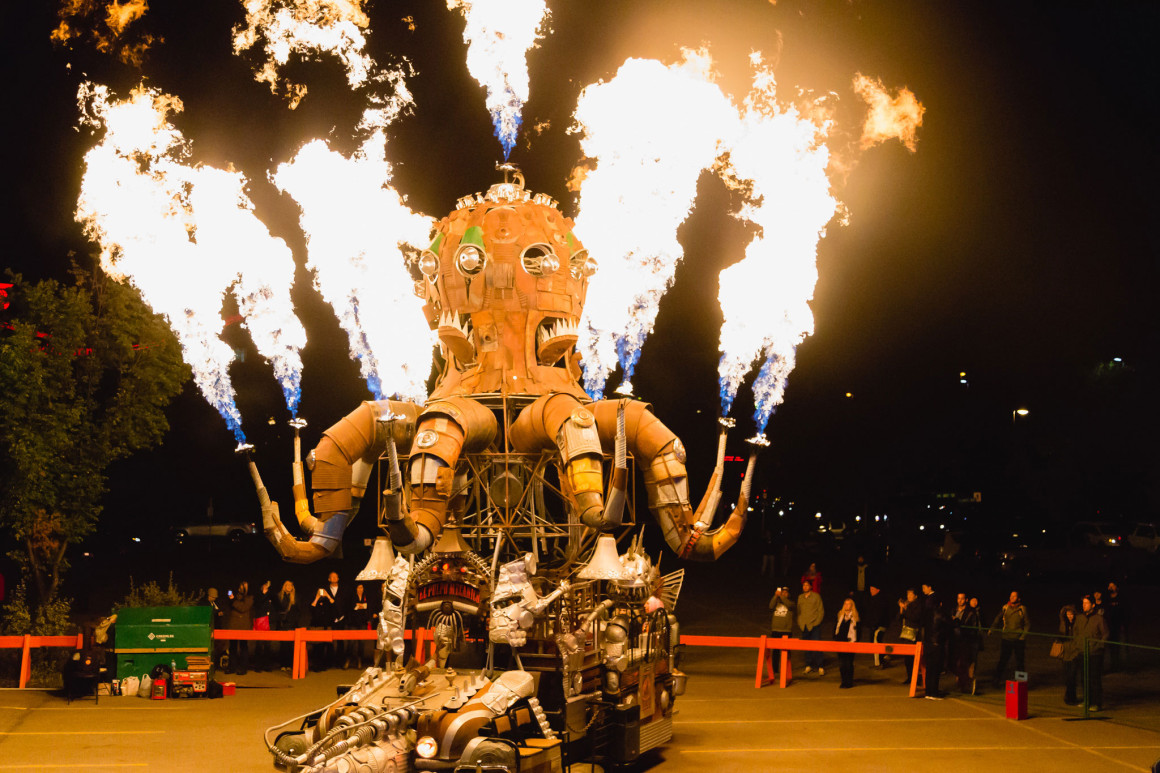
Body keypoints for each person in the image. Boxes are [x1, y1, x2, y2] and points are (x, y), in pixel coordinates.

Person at [1075, 594, 1109, 711]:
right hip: (1082, 652)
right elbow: (1076, 632)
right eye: (1083, 603)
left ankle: (1096, 703)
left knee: (1094, 678)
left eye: (1086, 603)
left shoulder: (1099, 619)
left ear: (1093, 605)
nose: (1084, 605)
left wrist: (1099, 645)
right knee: (1084, 678)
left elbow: (1105, 634)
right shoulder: (1080, 618)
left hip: (1095, 653)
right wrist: (1078, 644)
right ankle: (1087, 700)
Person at [990, 591, 1029, 686]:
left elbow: (1027, 624)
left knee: (1020, 661)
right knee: (1003, 660)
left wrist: (1022, 636)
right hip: (1006, 639)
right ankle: (996, 679)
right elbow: (997, 618)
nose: (1012, 597)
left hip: (1018, 640)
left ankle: (1022, 683)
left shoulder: (1022, 609)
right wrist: (992, 629)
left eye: (1014, 596)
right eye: (1011, 595)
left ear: (1019, 598)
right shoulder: (1005, 608)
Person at [950, 592, 981, 693]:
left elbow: (973, 628)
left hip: (966, 641)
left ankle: (966, 684)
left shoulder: (971, 612)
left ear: (966, 600)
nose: (960, 600)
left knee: (965, 663)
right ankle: (961, 681)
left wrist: (958, 622)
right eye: (958, 598)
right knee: (953, 663)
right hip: (954, 641)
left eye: (962, 599)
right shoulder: (953, 610)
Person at [273, 580, 304, 671]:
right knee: (283, 645)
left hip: (292, 624)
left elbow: (299, 610)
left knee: (291, 645)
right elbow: (276, 609)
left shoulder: (296, 597)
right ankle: (283, 664)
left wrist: (295, 620)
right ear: (284, 586)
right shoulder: (279, 596)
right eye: (287, 585)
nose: (289, 587)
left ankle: (290, 664)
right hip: (282, 624)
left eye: (290, 585)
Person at [225, 581, 253, 675]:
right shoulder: (236, 596)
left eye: (244, 587)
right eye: (241, 586)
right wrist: (231, 599)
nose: (242, 588)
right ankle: (232, 667)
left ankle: (243, 668)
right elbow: (230, 606)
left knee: (243, 647)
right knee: (232, 647)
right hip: (233, 625)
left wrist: (233, 601)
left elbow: (243, 608)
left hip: (243, 626)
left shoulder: (249, 597)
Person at [797, 579, 825, 675]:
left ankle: (820, 666)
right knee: (806, 647)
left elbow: (820, 611)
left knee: (817, 645)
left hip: (814, 625)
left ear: (811, 587)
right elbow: (798, 611)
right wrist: (800, 622)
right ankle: (808, 665)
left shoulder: (816, 596)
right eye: (803, 585)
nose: (805, 587)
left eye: (807, 585)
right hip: (804, 625)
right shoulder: (800, 597)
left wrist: (817, 622)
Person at [768, 586, 795, 676]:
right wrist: (776, 596)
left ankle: (786, 669)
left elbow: (790, 605)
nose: (783, 594)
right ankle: (775, 670)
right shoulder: (776, 602)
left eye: (785, 592)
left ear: (788, 594)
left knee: (786, 651)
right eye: (782, 592)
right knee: (775, 651)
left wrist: (782, 597)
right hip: (776, 630)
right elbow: (771, 606)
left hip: (786, 630)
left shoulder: (791, 603)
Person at [346, 583, 373, 669]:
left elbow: (368, 607)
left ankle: (359, 660)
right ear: (356, 589)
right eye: (358, 587)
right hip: (353, 622)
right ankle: (348, 659)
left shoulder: (366, 596)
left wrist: (360, 606)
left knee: (361, 643)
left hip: (363, 622)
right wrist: (360, 606)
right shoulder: (352, 596)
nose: (360, 589)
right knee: (351, 642)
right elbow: (352, 607)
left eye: (361, 587)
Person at [1059, 604, 1081, 705]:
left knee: (1072, 676)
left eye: (1071, 614)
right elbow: (1060, 636)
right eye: (1068, 614)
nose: (1070, 616)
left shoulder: (1077, 624)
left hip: (1074, 653)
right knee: (1067, 677)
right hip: (1066, 653)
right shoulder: (1063, 624)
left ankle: (1072, 697)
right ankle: (1069, 696)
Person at [898, 589, 922, 682]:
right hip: (906, 633)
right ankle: (909, 677)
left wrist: (905, 609)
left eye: (911, 594)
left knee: (913, 657)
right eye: (908, 594)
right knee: (907, 657)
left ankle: (915, 678)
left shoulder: (918, 605)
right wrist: (901, 609)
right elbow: (899, 618)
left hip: (913, 633)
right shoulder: (907, 605)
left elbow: (915, 617)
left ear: (915, 596)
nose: (908, 596)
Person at [834, 597, 859, 688]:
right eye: (845, 604)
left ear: (852, 606)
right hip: (840, 643)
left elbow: (858, 632)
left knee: (848, 663)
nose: (846, 605)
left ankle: (849, 682)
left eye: (848, 604)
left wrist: (855, 643)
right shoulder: (840, 616)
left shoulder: (855, 617)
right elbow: (835, 629)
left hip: (850, 643)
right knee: (841, 663)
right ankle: (843, 681)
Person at [251, 579, 274, 671]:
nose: (266, 587)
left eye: (268, 585)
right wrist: (263, 594)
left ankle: (267, 665)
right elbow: (257, 606)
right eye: (264, 585)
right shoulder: (257, 596)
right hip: (260, 621)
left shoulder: (271, 596)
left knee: (268, 645)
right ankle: (258, 665)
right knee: (259, 644)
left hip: (269, 622)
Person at [864, 586, 890, 667]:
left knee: (876, 642)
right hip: (876, 625)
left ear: (878, 590)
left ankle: (879, 663)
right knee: (876, 641)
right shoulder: (873, 599)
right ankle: (884, 657)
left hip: (879, 626)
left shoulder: (879, 600)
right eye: (870, 589)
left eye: (872, 589)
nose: (870, 591)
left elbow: (879, 615)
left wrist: (874, 625)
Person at [1105, 582, 1126, 671]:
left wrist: (1123, 624)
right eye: (1109, 585)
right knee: (1110, 647)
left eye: (1112, 585)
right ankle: (1111, 665)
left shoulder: (1121, 597)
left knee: (1119, 646)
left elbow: (1125, 612)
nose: (1110, 587)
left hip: (1118, 626)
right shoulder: (1106, 598)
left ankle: (1119, 665)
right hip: (1108, 626)